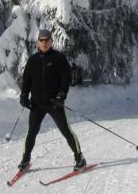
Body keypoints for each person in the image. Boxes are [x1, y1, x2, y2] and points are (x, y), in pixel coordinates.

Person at [17, 28, 86, 171]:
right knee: (31, 132)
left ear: (51, 41)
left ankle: (79, 158)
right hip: (37, 104)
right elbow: (27, 80)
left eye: (46, 40)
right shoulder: (33, 60)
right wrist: (24, 95)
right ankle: (25, 159)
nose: (44, 42)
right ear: (37, 42)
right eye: (41, 40)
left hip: (54, 103)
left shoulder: (58, 58)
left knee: (66, 131)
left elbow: (65, 78)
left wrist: (61, 95)